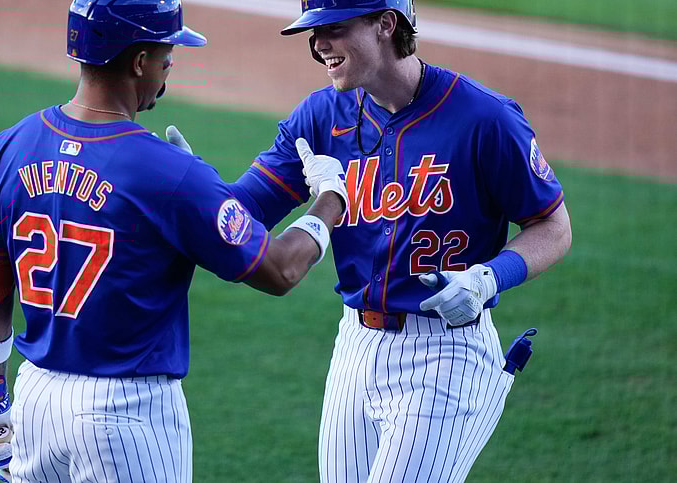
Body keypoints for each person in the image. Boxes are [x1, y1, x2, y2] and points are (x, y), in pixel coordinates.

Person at [167, 0, 572, 481]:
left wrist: (488, 277)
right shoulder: (320, 117)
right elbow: (247, 209)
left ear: (386, 24)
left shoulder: (485, 119)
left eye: (334, 29)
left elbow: (553, 226)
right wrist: (196, 193)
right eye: (314, 33)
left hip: (448, 352)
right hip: (355, 347)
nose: (319, 46)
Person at [0, 1, 348, 482]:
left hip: (36, 400)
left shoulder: (8, 147)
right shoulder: (167, 171)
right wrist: (331, 198)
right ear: (139, 60)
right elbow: (281, 269)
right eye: (167, 52)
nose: (170, 65)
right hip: (127, 417)